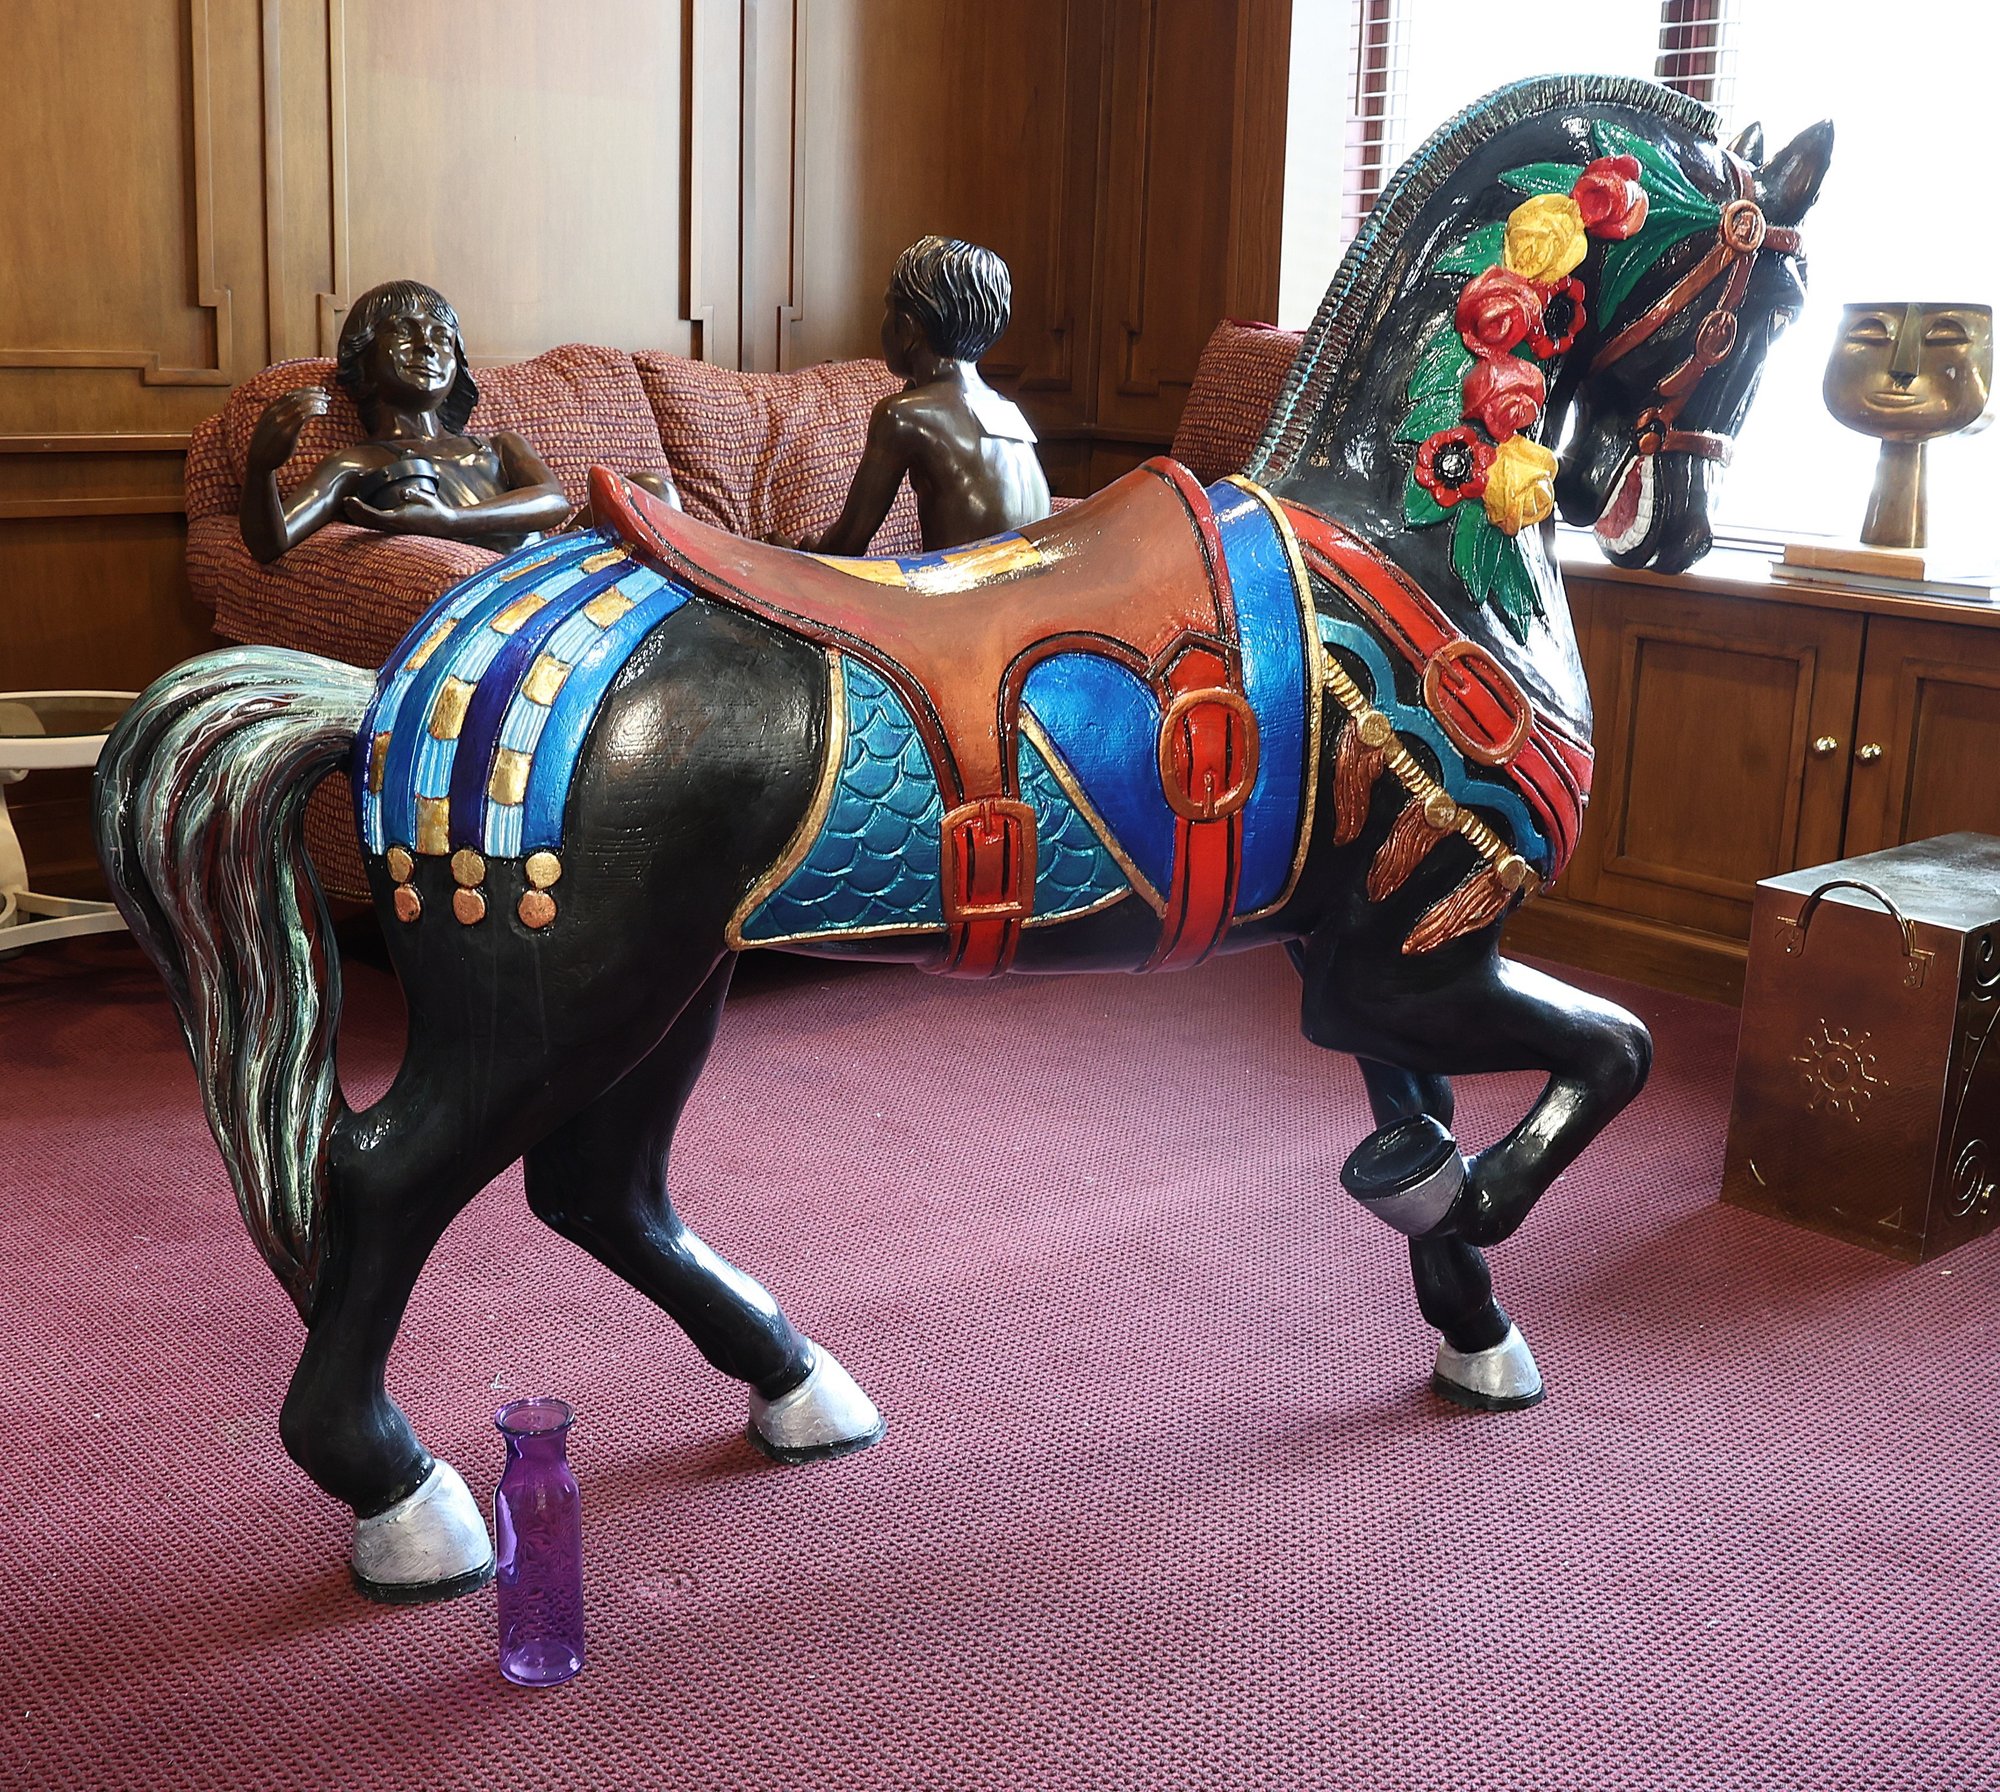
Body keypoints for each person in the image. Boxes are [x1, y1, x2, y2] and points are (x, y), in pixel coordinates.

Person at [238, 280, 572, 564]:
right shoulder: (355, 463)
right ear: (363, 357)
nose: (427, 346)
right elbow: (270, 544)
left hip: (554, 576)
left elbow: (554, 501)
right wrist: (261, 469)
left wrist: (450, 520)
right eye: (403, 331)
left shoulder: (499, 446)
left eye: (442, 337)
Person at [799, 236, 1051, 556]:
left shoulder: (902, 416)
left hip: (959, 588)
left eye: (887, 309)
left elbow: (844, 547)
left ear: (906, 328)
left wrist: (793, 553)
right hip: (1035, 582)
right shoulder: (1007, 410)